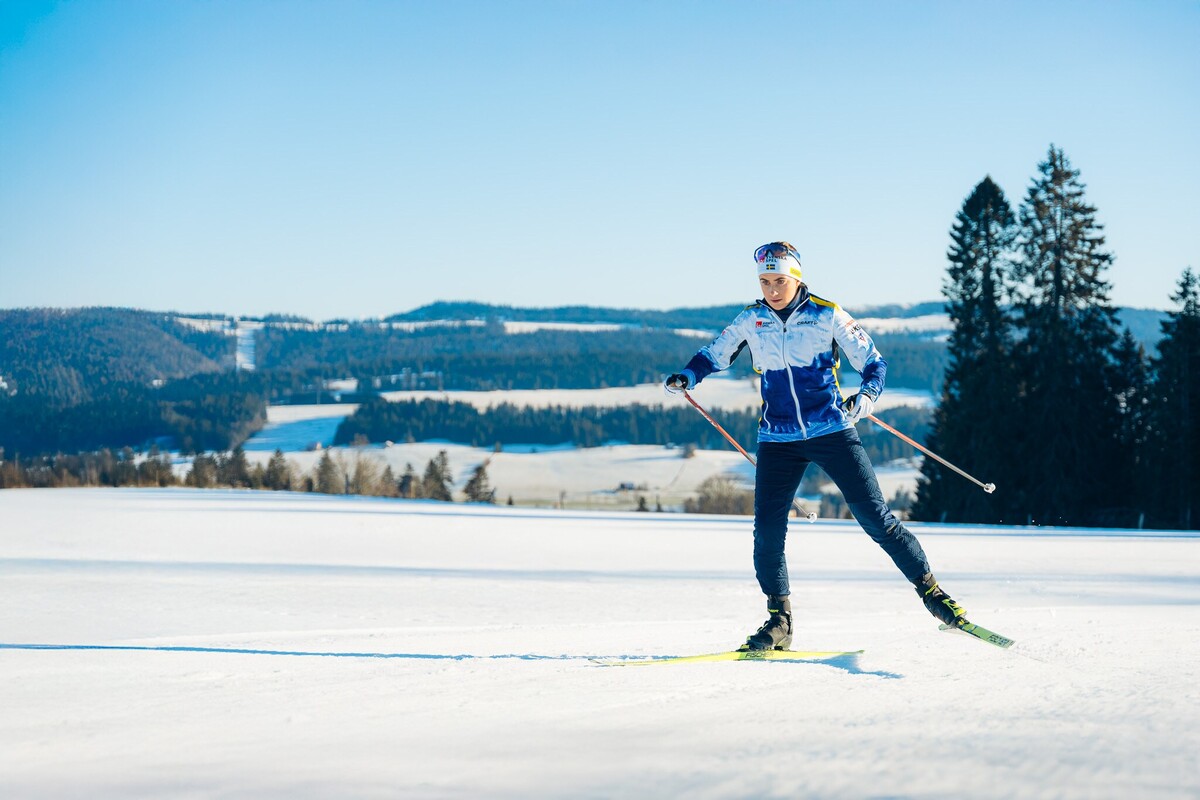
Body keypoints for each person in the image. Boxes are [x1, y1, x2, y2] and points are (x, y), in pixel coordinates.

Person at [666, 241, 966, 651]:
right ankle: (779, 621)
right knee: (767, 531)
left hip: (832, 430)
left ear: (796, 278)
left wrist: (866, 396)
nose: (773, 289)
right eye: (766, 281)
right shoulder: (751, 320)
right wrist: (687, 376)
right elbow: (713, 355)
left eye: (780, 281)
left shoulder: (827, 315)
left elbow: (874, 362)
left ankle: (933, 594)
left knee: (874, 516)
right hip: (778, 438)